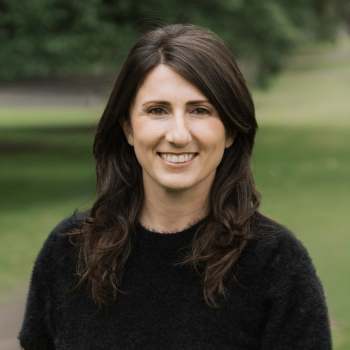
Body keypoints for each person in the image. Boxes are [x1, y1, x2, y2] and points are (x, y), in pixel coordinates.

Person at [19, 24, 332, 349]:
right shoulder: (67, 253)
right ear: (127, 127)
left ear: (230, 131)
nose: (179, 135)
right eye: (157, 110)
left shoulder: (277, 264)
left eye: (200, 110)